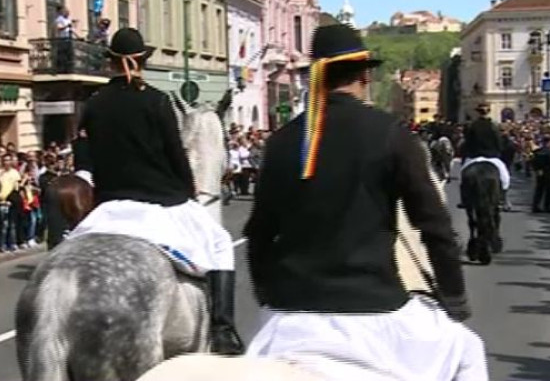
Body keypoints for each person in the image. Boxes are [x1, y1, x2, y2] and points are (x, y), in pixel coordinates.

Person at [244, 24, 486, 380]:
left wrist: (269, 298)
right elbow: (435, 227)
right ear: (364, 76)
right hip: (373, 306)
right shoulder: (390, 133)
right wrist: (455, 300)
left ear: (315, 79)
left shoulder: (280, 141)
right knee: (468, 350)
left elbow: (259, 235)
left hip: (288, 313)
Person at [68, 27, 243, 355]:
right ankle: (223, 330)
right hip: (158, 200)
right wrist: (188, 192)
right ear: (141, 61)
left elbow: (86, 155)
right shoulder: (156, 101)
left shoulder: (93, 105)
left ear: (112, 64)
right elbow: (176, 154)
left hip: (108, 206)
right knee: (219, 243)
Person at [460, 103, 512, 211]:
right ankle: (503, 199)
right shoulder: (494, 126)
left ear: (478, 112)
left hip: (474, 156)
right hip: (492, 157)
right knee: (505, 178)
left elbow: (468, 142)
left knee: (463, 176)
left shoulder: (471, 125)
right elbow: (499, 143)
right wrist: (498, 151)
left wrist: (469, 152)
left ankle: (464, 199)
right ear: (488, 112)